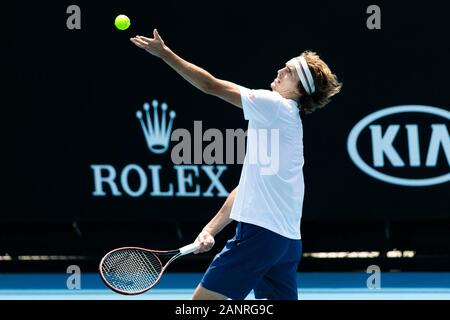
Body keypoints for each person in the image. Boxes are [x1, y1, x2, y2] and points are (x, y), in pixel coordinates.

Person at [130, 29, 342, 300]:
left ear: (300, 89)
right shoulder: (284, 123)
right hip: (286, 242)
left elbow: (211, 86)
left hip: (259, 237)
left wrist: (165, 54)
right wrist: (209, 230)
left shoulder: (275, 106)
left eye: (288, 71)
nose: (279, 70)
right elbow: (245, 190)